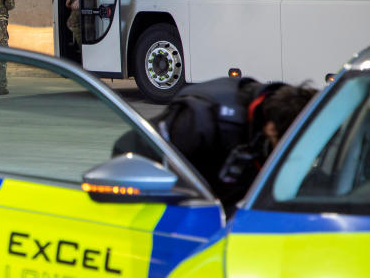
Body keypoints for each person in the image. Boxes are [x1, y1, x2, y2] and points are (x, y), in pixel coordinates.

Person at [113, 76, 317, 208]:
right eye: (287, 148)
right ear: (271, 128)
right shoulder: (201, 121)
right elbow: (140, 159)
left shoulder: (292, 111)